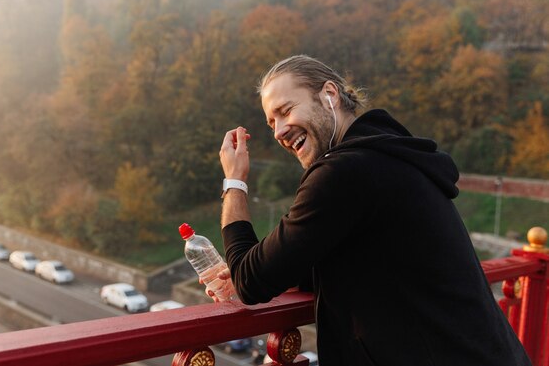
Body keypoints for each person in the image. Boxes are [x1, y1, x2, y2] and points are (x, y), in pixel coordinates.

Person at [210, 55, 531, 365]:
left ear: (329, 94)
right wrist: (275, 272)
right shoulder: (389, 157)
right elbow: (368, 259)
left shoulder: (344, 172)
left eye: (286, 110)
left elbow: (251, 279)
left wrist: (235, 181)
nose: (278, 130)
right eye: (271, 122)